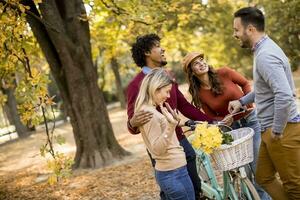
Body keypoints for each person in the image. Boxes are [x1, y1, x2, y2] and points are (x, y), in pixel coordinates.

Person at [127, 33, 218, 200]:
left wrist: (210, 121)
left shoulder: (167, 77)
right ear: (147, 52)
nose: (163, 49)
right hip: (162, 148)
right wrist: (132, 122)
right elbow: (133, 123)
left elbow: (183, 105)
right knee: (171, 192)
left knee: (194, 187)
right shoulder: (136, 85)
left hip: (180, 140)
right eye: (158, 46)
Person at [229, 7, 300, 199]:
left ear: (250, 29)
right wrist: (242, 101)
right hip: (271, 128)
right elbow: (264, 89)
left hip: (282, 130)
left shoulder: (265, 56)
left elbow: (284, 95)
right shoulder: (263, 49)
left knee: (294, 186)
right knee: (263, 177)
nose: (235, 34)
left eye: (237, 30)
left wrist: (277, 130)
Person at [182, 52, 270, 199]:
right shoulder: (199, 92)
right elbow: (210, 115)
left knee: (257, 168)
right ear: (192, 71)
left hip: (250, 120)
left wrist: (245, 102)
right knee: (244, 172)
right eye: (196, 63)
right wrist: (223, 119)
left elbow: (245, 84)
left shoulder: (224, 72)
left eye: (202, 60)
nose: (201, 63)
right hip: (232, 129)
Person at [134, 68, 195, 200]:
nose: (168, 96)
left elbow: (164, 130)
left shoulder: (153, 109)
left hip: (177, 170)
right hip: (172, 174)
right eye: (166, 91)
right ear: (156, 88)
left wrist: (180, 122)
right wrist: (171, 126)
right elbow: (157, 148)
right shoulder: (148, 114)